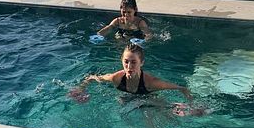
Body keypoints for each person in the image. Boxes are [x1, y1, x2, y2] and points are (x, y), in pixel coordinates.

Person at [69, 43, 204, 115]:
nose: (129, 66)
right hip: (127, 99)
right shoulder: (116, 78)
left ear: (142, 63)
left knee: (157, 113)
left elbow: (182, 88)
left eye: (133, 62)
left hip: (149, 99)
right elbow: (92, 78)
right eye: (126, 62)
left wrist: (193, 104)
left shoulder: (150, 82)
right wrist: (80, 89)